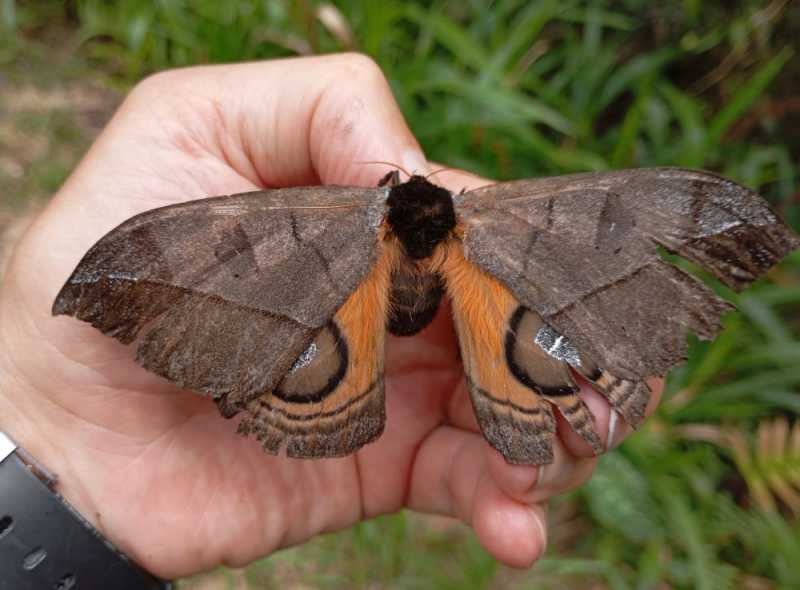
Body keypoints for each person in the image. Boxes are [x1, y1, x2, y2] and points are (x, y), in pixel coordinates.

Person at [0, 53, 660, 581]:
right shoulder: (477, 215)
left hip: (365, 296)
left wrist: (39, 449)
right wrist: (48, 423)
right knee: (539, 374)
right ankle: (519, 373)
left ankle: (516, 371)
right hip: (402, 289)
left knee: (560, 367)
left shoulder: (347, 216)